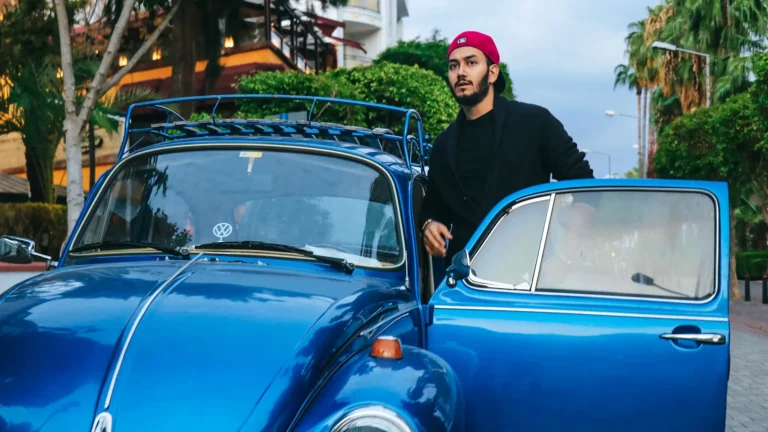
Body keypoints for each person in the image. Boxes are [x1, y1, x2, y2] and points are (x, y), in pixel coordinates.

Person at [420, 30, 595, 263]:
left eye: (471, 63)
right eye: (454, 66)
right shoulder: (443, 144)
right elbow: (434, 205)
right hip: (464, 282)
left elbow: (585, 186)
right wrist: (429, 225)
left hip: (526, 276)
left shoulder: (534, 123)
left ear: (492, 73)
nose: (461, 72)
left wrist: (568, 254)